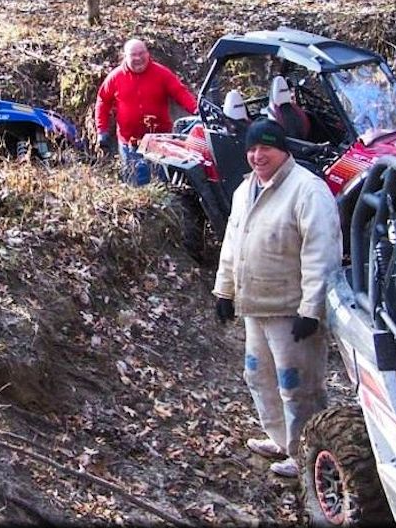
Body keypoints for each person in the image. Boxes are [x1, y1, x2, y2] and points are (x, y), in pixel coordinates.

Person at [213, 118, 342, 478]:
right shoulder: (245, 191)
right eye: (251, 149)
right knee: (259, 377)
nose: (257, 156)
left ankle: (307, 453)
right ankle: (281, 439)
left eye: (265, 148)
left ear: (283, 150)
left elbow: (322, 254)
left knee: (298, 385)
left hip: (292, 311)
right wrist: (224, 291)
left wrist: (311, 310)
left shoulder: (308, 191)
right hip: (256, 306)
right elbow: (232, 244)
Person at [94, 38, 197, 184]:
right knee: (136, 185)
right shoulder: (115, 77)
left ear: (148, 53)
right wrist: (101, 130)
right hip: (130, 143)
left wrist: (196, 109)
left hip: (160, 140)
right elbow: (102, 101)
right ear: (125, 56)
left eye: (141, 53)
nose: (138, 58)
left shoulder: (162, 73)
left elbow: (180, 92)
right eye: (133, 55)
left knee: (163, 184)